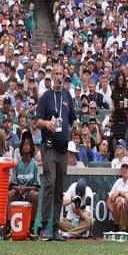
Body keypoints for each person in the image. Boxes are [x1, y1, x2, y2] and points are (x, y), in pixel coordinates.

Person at [33, 61, 76, 241]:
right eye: (56, 74)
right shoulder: (46, 97)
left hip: (62, 149)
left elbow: (72, 120)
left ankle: (56, 228)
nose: (59, 77)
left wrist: (72, 131)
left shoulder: (67, 96)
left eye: (61, 75)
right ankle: (44, 227)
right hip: (49, 146)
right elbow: (37, 122)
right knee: (50, 183)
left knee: (59, 188)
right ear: (52, 77)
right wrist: (47, 124)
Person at [9, 131, 41, 228]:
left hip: (28, 192)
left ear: (31, 147)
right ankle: (7, 226)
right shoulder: (17, 164)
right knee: (7, 195)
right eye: (24, 144)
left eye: (28, 144)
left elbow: (37, 187)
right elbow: (12, 184)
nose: (26, 146)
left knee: (35, 195)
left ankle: (31, 227)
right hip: (18, 191)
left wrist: (26, 188)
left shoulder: (34, 164)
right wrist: (18, 188)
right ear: (21, 148)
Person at [107, 158, 128, 236]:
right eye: (123, 167)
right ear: (121, 169)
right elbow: (108, 201)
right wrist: (114, 211)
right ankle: (117, 227)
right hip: (120, 217)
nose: (125, 169)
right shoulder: (118, 182)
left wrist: (119, 192)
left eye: (127, 167)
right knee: (117, 200)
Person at [58, 171, 94, 239]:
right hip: (70, 221)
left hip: (81, 221)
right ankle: (81, 233)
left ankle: (68, 234)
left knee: (89, 222)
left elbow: (86, 216)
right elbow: (63, 202)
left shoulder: (88, 192)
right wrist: (72, 200)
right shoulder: (73, 187)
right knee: (58, 221)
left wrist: (78, 210)